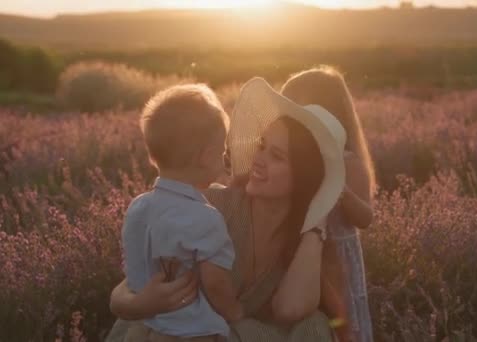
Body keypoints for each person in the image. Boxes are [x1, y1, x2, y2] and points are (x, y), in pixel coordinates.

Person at [105, 77, 348, 342]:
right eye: (261, 146)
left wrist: (316, 224)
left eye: (276, 156)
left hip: (232, 335)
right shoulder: (209, 205)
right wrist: (137, 305)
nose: (257, 159)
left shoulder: (305, 243)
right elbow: (127, 287)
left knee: (316, 326)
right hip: (174, 335)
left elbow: (292, 309)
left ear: (304, 176)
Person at [121, 84, 242, 342]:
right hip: (194, 332)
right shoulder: (206, 218)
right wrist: (236, 313)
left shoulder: (138, 207)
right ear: (206, 157)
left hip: (147, 328)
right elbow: (216, 284)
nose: (224, 160)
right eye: (221, 152)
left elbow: (133, 271)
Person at [281, 66, 375, 342]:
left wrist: (340, 188)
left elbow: (365, 218)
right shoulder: (296, 158)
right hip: (304, 256)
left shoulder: (348, 162)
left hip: (339, 262)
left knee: (343, 326)